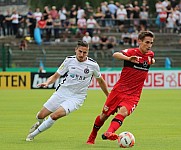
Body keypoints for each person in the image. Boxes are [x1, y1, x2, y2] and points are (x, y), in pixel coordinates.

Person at [26, 40, 109, 141]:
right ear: (75, 50)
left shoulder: (93, 65)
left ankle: (32, 135)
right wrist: (47, 83)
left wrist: (108, 95)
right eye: (80, 51)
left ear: (88, 52)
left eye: (85, 52)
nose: (82, 54)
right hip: (62, 92)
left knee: (55, 115)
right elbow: (56, 75)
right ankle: (39, 123)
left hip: (77, 97)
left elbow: (100, 81)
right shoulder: (69, 60)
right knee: (40, 115)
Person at [86, 31, 155, 144]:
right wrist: (128, 59)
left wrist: (151, 61)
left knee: (123, 113)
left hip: (134, 95)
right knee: (104, 116)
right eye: (147, 42)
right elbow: (116, 54)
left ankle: (109, 132)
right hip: (119, 91)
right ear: (139, 41)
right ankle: (92, 137)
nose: (149, 45)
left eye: (151, 43)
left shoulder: (150, 54)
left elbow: (150, 59)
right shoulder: (132, 52)